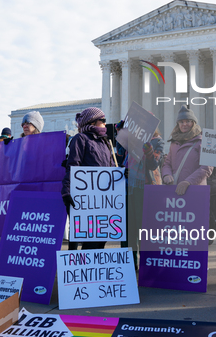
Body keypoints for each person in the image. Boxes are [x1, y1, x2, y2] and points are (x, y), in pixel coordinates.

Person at [61, 107, 115, 250]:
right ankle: (81, 270)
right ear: (92, 121)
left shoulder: (106, 142)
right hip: (87, 199)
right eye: (102, 120)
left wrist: (121, 174)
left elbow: (112, 167)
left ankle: (92, 270)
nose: (105, 123)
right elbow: (73, 166)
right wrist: (66, 191)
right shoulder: (81, 139)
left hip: (104, 198)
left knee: (102, 239)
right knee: (89, 239)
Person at [117, 123, 165, 269]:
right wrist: (121, 131)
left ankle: (146, 263)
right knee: (128, 228)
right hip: (127, 186)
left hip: (146, 187)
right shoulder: (130, 139)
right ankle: (130, 263)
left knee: (143, 228)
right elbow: (119, 153)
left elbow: (154, 164)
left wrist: (149, 151)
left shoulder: (157, 141)